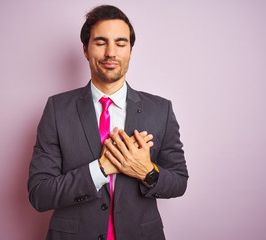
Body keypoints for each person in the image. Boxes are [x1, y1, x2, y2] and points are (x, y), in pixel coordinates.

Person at [28, 5, 188, 240]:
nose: (111, 52)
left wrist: (146, 171)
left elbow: (179, 182)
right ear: (85, 49)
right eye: (101, 42)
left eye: (121, 44)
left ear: (130, 51)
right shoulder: (57, 109)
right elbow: (39, 194)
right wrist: (100, 170)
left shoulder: (160, 110)